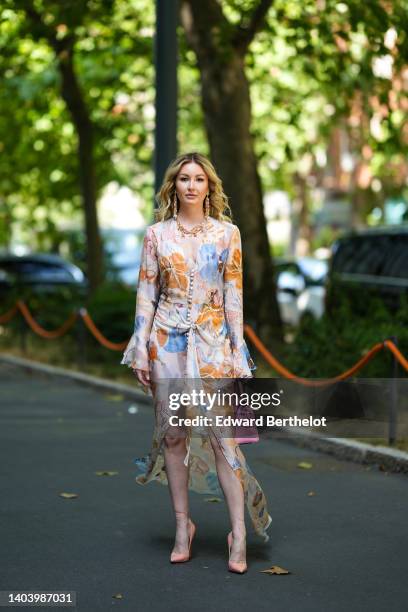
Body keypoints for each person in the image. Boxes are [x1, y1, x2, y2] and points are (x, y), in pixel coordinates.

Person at [121, 152, 272, 573]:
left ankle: (237, 533)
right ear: (174, 186)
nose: (191, 185)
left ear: (209, 187)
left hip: (214, 346)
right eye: (184, 179)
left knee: (226, 440)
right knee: (174, 437)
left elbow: (234, 297)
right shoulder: (157, 236)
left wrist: (238, 352)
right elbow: (146, 294)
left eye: (198, 179)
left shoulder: (228, 234)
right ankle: (181, 526)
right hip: (166, 345)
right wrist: (140, 348)